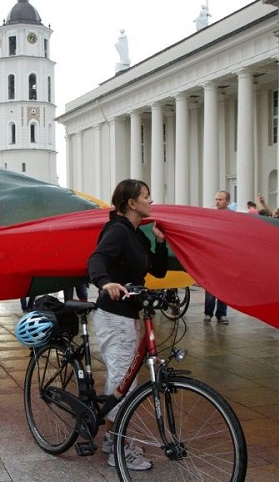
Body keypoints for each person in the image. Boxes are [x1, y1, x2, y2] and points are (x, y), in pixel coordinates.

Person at [88, 179, 168, 471]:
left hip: (130, 314)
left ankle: (112, 437)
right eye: (147, 196)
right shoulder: (118, 230)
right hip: (113, 314)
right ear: (132, 203)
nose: (151, 201)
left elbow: (157, 271)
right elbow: (97, 258)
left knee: (124, 379)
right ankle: (118, 447)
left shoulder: (138, 234)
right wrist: (105, 281)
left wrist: (160, 242)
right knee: (124, 379)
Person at [204, 191, 231, 324]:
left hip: (225, 257)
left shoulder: (232, 217)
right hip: (212, 256)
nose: (217, 202)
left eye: (220, 199)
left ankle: (221, 314)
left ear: (227, 201)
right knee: (210, 286)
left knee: (224, 287)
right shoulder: (210, 215)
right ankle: (208, 313)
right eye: (216, 199)